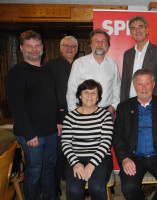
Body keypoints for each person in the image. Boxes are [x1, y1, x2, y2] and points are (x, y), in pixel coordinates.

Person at [6, 30, 59, 200]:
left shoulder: (47, 71)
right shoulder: (17, 73)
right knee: (34, 171)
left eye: (37, 45)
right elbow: (16, 106)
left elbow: (54, 100)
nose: (34, 49)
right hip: (31, 134)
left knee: (49, 167)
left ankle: (50, 197)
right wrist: (29, 134)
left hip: (50, 131)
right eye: (29, 46)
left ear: (43, 48)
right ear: (21, 49)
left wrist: (59, 122)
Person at [113, 69, 157, 200]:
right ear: (134, 85)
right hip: (134, 157)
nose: (144, 88)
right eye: (140, 84)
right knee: (128, 188)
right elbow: (117, 136)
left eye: (147, 83)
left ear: (153, 84)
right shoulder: (124, 107)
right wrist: (125, 158)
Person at [62, 79, 113, 200]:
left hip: (100, 158)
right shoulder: (70, 117)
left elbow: (105, 143)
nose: (89, 96)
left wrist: (91, 164)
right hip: (76, 158)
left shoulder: (105, 116)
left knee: (97, 187)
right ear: (80, 96)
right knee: (73, 190)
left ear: (98, 98)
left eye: (93, 93)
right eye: (86, 92)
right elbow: (65, 143)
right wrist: (76, 163)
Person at [46, 35, 78, 198]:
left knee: (77, 149)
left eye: (73, 46)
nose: (70, 48)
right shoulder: (51, 66)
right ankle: (55, 185)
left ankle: (77, 181)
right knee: (59, 152)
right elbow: (48, 94)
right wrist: (58, 119)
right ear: (60, 48)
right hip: (59, 115)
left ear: (77, 49)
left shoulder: (81, 64)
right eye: (67, 45)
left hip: (80, 113)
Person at [66, 29, 121, 117]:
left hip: (106, 112)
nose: (100, 44)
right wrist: (73, 112)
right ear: (91, 45)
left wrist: (115, 105)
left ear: (107, 45)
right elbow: (72, 88)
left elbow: (116, 86)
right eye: (96, 41)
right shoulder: (79, 63)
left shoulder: (112, 64)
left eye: (103, 41)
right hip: (83, 111)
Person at [120, 15, 157, 102]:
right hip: (131, 103)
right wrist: (122, 104)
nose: (137, 31)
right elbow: (124, 83)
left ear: (147, 30)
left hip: (152, 103)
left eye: (141, 27)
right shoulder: (127, 54)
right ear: (131, 33)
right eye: (133, 28)